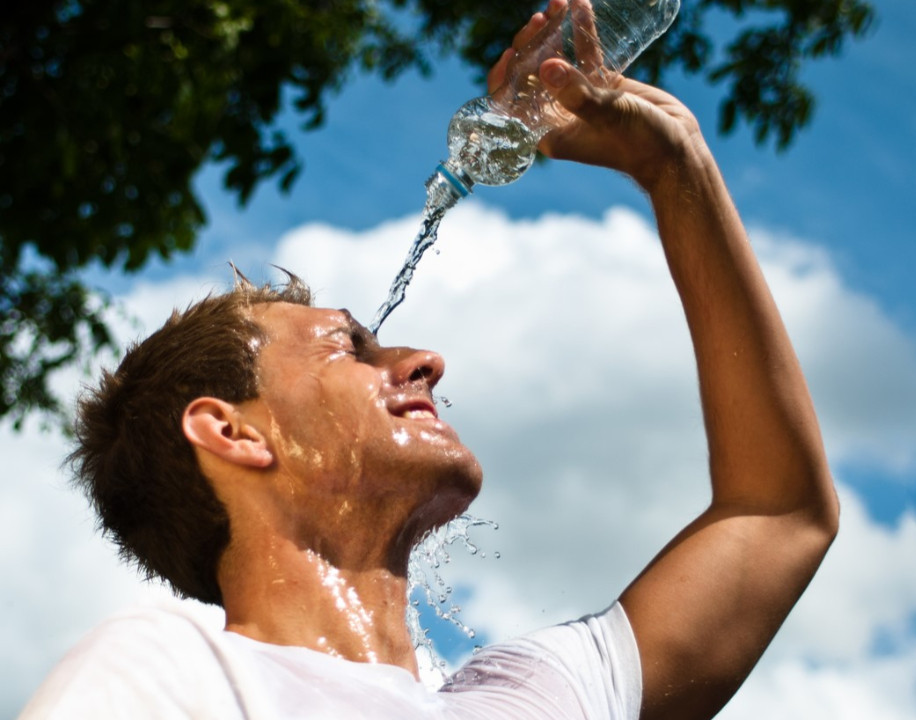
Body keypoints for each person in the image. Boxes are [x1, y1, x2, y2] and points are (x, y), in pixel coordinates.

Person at [22, 2, 839, 718]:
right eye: (351, 347)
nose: (426, 361)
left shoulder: (538, 695)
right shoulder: (174, 677)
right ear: (232, 432)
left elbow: (778, 513)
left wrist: (678, 167)